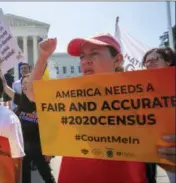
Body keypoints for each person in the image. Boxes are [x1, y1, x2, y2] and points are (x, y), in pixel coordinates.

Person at [24, 34, 173, 183]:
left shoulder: (143, 97)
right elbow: (31, 93)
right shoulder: (72, 93)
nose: (85, 61)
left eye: (94, 53)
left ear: (117, 60)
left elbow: (165, 157)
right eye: (82, 56)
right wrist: (43, 57)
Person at [0, 59, 56, 183]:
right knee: (24, 176)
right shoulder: (20, 99)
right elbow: (5, 87)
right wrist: (0, 69)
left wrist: (50, 149)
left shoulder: (43, 103)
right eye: (23, 83)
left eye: (28, 83)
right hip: (23, 147)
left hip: (39, 147)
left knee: (46, 175)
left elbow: (52, 128)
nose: (24, 86)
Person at [142, 47, 176, 183]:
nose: (149, 64)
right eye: (146, 62)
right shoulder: (147, 89)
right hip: (165, 152)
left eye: (154, 60)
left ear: (168, 61)